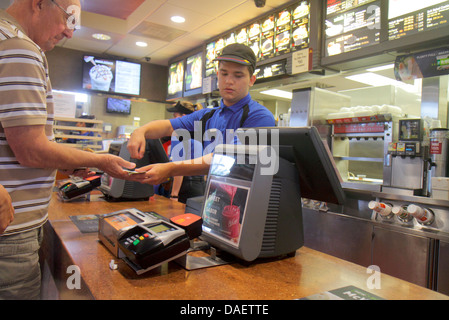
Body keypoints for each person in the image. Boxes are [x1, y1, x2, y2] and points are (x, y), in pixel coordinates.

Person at [0, 0, 136, 300]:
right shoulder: (18, 47)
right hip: (10, 232)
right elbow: (32, 151)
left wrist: (66, 162)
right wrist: (100, 161)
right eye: (68, 19)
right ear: (38, 4)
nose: (69, 32)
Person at [127, 43, 275, 185]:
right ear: (217, 75)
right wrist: (140, 131)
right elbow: (168, 127)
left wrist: (170, 169)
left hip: (249, 200)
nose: (229, 81)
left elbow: (227, 158)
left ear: (251, 80)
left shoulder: (260, 116)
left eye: (238, 75)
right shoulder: (208, 115)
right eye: (224, 74)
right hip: (215, 194)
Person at [166, 101, 205, 204]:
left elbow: (179, 168)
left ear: (183, 117)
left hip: (184, 186)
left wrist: (174, 195)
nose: (173, 120)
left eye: (175, 116)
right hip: (200, 186)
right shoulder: (200, 132)